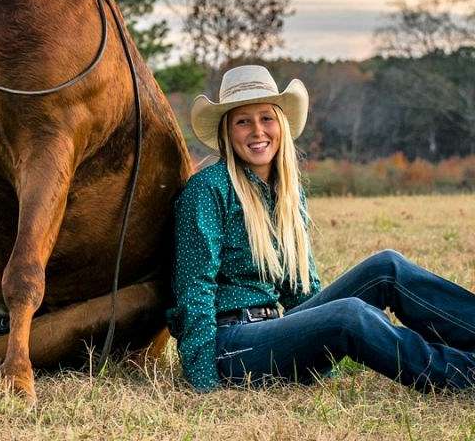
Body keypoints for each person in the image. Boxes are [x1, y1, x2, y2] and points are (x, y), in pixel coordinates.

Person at [167, 64, 475, 392]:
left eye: (266, 118)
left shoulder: (286, 190)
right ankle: (463, 375)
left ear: (281, 125)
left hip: (276, 332)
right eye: (243, 121)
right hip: (231, 347)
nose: (258, 131)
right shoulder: (208, 188)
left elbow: (300, 290)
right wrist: (203, 379)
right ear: (228, 132)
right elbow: (193, 286)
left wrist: (317, 353)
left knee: (387, 267)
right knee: (348, 314)